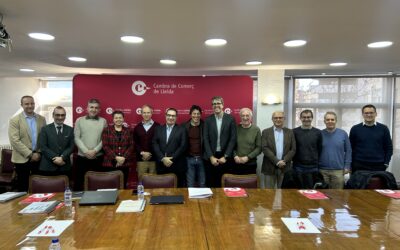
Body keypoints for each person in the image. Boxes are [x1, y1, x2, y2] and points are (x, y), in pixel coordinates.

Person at [8, 95, 46, 191]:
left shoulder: (42, 119)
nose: (30, 106)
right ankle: (21, 206)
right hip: (22, 159)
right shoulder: (14, 120)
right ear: (22, 105)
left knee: (38, 186)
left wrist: (38, 153)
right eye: (27, 104)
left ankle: (38, 206)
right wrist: (30, 154)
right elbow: (14, 141)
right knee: (22, 187)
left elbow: (44, 138)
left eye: (32, 103)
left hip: (38, 158)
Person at [74, 98, 107, 190]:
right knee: (79, 184)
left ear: (99, 109)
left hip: (98, 157)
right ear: (87, 108)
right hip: (82, 158)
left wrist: (95, 151)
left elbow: (104, 139)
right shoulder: (79, 120)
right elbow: (77, 138)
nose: (94, 109)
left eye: (96, 107)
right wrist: (86, 151)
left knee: (98, 184)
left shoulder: (103, 121)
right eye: (91, 107)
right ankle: (77, 203)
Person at [203, 96, 237, 187]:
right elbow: (205, 139)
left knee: (224, 185)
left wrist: (225, 156)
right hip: (211, 158)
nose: (216, 105)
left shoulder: (230, 119)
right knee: (211, 184)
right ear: (212, 106)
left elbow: (232, 139)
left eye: (218, 103)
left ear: (223, 105)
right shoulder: (208, 120)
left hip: (225, 157)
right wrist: (211, 157)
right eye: (214, 104)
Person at [349, 104, 393, 173]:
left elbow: (389, 147)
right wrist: (350, 164)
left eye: (371, 113)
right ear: (362, 114)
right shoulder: (355, 129)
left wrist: (386, 163)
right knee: (358, 184)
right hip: (358, 165)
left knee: (376, 184)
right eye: (366, 113)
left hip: (378, 165)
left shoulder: (384, 128)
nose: (369, 115)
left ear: (376, 114)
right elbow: (350, 148)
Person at [152, 108, 187, 187]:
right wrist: (163, 158)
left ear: (176, 117)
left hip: (176, 166)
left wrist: (171, 158)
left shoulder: (182, 129)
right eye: (169, 115)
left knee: (177, 192)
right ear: (165, 116)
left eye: (173, 116)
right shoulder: (158, 129)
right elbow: (154, 144)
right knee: (162, 191)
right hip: (161, 165)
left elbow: (183, 146)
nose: (171, 118)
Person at [261, 111, 296, 189]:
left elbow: (293, 149)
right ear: (272, 119)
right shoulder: (266, 132)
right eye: (275, 118)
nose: (278, 119)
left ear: (284, 119)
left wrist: (284, 160)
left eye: (280, 118)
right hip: (269, 167)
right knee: (269, 194)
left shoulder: (290, 132)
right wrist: (277, 161)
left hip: (285, 167)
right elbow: (264, 148)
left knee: (285, 195)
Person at [38, 106, 74, 177]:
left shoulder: (70, 129)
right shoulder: (45, 129)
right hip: (48, 166)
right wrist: (56, 158)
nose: (60, 117)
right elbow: (43, 147)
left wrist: (62, 158)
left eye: (62, 115)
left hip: (64, 166)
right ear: (53, 115)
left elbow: (71, 147)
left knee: (64, 187)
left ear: (65, 116)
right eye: (57, 115)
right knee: (48, 188)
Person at [102, 111, 135, 187]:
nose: (118, 119)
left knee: (122, 185)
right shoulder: (106, 130)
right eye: (116, 118)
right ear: (113, 119)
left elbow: (132, 145)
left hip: (125, 163)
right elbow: (105, 146)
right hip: (110, 163)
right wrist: (116, 158)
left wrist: (123, 158)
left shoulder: (129, 130)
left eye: (120, 117)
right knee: (110, 186)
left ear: (123, 119)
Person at [319, 111, 352, 189]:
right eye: (328, 120)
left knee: (338, 197)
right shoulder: (319, 134)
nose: (330, 121)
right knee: (322, 197)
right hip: (322, 171)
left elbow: (348, 151)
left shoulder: (343, 134)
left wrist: (347, 166)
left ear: (336, 121)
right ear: (324, 121)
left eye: (332, 119)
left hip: (338, 171)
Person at [292, 109, 322, 189]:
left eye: (308, 117)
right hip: (298, 167)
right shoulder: (294, 132)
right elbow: (292, 148)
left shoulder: (318, 132)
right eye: (304, 117)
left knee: (312, 191)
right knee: (299, 192)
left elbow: (320, 149)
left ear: (312, 118)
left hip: (313, 167)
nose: (306, 119)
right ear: (300, 118)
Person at [133, 104, 159, 181]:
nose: (146, 114)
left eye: (148, 112)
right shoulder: (137, 127)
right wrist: (142, 153)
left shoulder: (158, 126)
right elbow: (135, 143)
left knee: (154, 182)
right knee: (141, 182)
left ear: (152, 113)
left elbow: (159, 143)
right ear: (141, 113)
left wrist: (150, 154)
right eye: (144, 112)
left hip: (154, 160)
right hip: (141, 160)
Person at [232, 108, 261, 175]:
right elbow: (231, 145)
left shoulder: (256, 129)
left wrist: (248, 157)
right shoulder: (236, 129)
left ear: (251, 117)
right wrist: (235, 156)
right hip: (236, 163)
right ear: (240, 117)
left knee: (250, 184)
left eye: (247, 115)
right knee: (237, 184)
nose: (245, 118)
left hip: (251, 164)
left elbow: (259, 148)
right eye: (243, 115)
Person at [184, 105, 206, 187]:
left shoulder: (205, 125)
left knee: (202, 183)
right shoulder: (184, 126)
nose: (196, 116)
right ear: (190, 114)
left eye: (198, 114)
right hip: (189, 159)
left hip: (202, 158)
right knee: (190, 184)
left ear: (200, 114)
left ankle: (203, 200)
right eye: (194, 113)